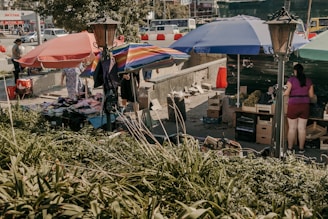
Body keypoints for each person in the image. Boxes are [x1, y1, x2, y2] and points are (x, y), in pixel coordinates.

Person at [284, 63, 315, 154]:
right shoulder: (309, 81)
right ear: (303, 71)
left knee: (292, 128)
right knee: (302, 128)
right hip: (305, 105)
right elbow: (312, 95)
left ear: (295, 71)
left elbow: (286, 93)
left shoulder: (291, 80)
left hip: (293, 104)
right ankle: (301, 149)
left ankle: (290, 149)